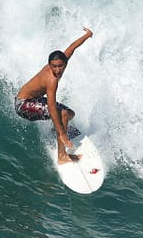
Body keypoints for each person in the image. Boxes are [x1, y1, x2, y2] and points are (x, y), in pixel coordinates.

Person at [14, 28, 93, 164]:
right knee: (62, 114)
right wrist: (62, 133)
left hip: (34, 99)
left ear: (65, 62)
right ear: (49, 65)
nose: (57, 70)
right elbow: (51, 107)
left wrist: (87, 35)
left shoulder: (62, 60)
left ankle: (54, 131)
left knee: (70, 114)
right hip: (23, 105)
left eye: (60, 66)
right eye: (53, 66)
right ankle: (62, 156)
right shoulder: (51, 80)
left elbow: (72, 47)